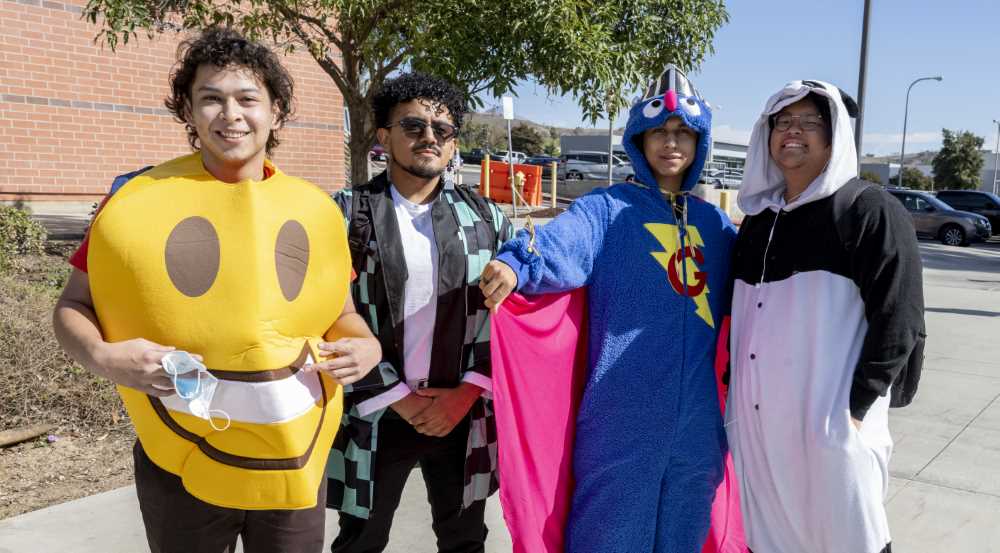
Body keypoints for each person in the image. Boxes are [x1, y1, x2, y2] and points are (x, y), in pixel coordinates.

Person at [52, 28, 380, 553]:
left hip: (291, 452)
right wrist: (102, 356)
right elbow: (73, 304)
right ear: (187, 110)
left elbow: (338, 314)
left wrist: (367, 345)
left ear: (275, 112)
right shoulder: (134, 203)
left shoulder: (315, 211)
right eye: (211, 98)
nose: (231, 114)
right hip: (176, 453)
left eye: (248, 98)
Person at [480, 65, 737, 553]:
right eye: (659, 130)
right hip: (621, 415)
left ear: (699, 141)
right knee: (606, 538)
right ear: (639, 138)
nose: (671, 142)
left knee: (685, 536)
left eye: (683, 132)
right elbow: (562, 244)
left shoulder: (716, 226)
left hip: (698, 422)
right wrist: (517, 263)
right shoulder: (605, 210)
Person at [727, 80, 926, 553]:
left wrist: (853, 414)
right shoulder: (761, 221)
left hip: (830, 429)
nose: (793, 131)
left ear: (833, 135)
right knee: (768, 540)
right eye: (783, 122)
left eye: (809, 122)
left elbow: (900, 320)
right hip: (759, 433)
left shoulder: (868, 211)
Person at [326, 72, 513, 553]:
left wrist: (468, 392)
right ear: (384, 136)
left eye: (442, 129)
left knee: (466, 538)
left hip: (462, 413)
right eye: (413, 125)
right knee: (360, 541)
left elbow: (511, 321)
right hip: (377, 412)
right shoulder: (344, 215)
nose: (429, 137)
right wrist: (398, 398)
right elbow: (325, 315)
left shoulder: (488, 220)